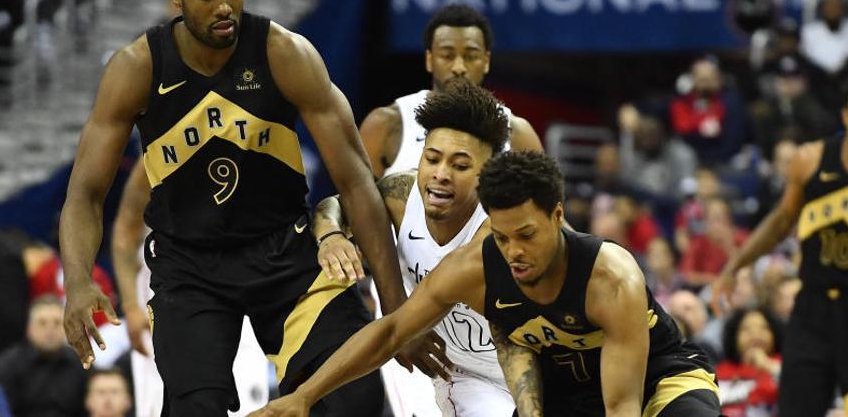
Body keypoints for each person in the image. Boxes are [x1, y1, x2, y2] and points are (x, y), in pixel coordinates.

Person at [59, 0, 416, 416]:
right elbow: (85, 193)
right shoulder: (137, 67)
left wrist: (398, 310)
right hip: (189, 266)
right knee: (194, 407)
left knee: (352, 393)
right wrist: (79, 280)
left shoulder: (285, 53)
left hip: (284, 252)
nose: (223, 6)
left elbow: (355, 181)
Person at [252, 151, 721, 417]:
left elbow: (621, 407)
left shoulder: (610, 277)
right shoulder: (475, 267)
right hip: (564, 395)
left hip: (659, 377)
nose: (514, 250)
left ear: (558, 217)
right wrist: (302, 397)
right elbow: (391, 332)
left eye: (527, 235)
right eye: (501, 236)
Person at [312, 79, 514, 416]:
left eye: (460, 166)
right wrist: (330, 234)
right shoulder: (400, 194)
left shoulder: (506, 226)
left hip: (527, 365)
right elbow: (338, 205)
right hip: (459, 373)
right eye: (432, 159)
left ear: (489, 174)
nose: (440, 174)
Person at [713, 75, 848, 417]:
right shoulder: (810, 159)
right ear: (845, 117)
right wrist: (734, 266)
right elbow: (780, 222)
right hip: (812, 311)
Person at [111, 158, 269, 416]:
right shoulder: (157, 155)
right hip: (169, 290)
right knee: (165, 394)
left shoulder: (252, 145)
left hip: (239, 286)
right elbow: (125, 234)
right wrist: (130, 305)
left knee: (246, 397)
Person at [360, 3, 542, 179]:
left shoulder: (516, 133)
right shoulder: (388, 124)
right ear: (429, 59)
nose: (459, 67)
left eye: (471, 56)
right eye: (447, 56)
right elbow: (357, 202)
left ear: (486, 61)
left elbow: (545, 206)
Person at [0, 295, 87, 417]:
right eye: (42, 323)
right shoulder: (7, 366)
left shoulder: (80, 364)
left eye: (57, 323)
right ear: (29, 329)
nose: (50, 330)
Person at [715, 307, 783, 417]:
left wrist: (767, 365)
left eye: (764, 328)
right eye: (746, 329)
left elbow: (799, 388)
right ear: (734, 336)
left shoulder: (783, 366)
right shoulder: (720, 372)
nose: (755, 334)